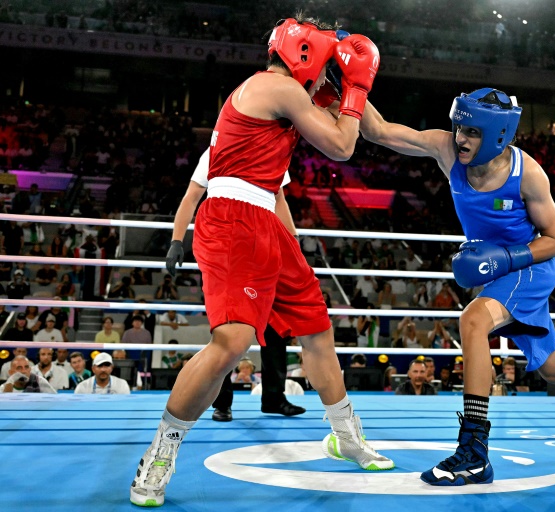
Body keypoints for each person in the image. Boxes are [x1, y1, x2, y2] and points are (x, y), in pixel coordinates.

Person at [129, 16, 391, 507]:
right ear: (307, 58)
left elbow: (373, 131)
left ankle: (344, 435)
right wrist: (353, 84)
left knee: (315, 328)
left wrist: (432, 143)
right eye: (324, 65)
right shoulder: (277, 87)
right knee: (232, 342)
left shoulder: (297, 95)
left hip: (266, 219)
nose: (325, 77)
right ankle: (160, 452)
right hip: (232, 220)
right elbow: (342, 144)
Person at [360, 87, 555, 486]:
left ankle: (473, 451)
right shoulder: (447, 150)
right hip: (499, 271)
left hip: (530, 265)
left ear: (498, 134)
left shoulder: (528, 173)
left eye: (471, 132)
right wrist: (348, 81)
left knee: (472, 322)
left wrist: (504, 259)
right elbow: (378, 130)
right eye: (458, 128)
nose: (461, 139)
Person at [163, 135, 310, 423]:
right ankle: (222, 403)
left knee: (275, 327)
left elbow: (279, 199)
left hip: (266, 246)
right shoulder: (216, 151)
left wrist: (293, 243)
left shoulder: (275, 149)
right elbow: (191, 196)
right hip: (230, 247)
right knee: (230, 330)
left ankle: (274, 398)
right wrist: (176, 240)